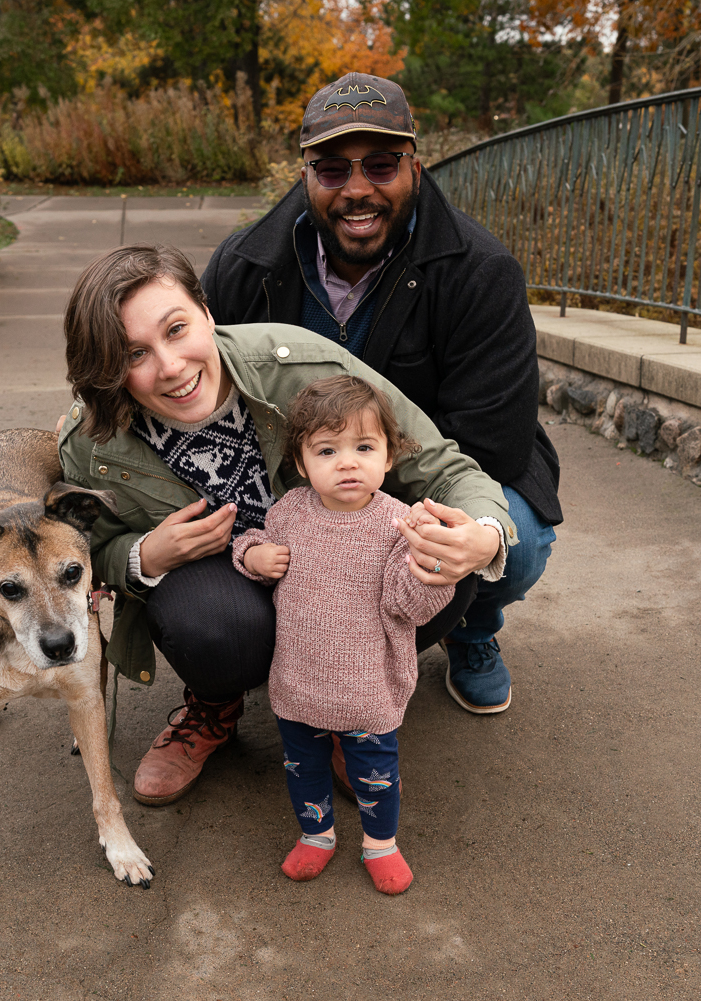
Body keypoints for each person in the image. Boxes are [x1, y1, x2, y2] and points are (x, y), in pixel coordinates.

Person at [57, 244, 514, 807]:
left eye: (176, 329)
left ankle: (351, 711)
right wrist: (144, 555)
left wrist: (485, 532)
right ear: (107, 369)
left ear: (205, 309)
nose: (170, 366)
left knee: (442, 564)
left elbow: (443, 467)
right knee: (209, 626)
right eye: (133, 354)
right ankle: (213, 705)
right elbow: (81, 553)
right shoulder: (93, 441)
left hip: (338, 574)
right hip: (226, 587)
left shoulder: (304, 367)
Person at [200, 71, 563, 715]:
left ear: (415, 169)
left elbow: (491, 437)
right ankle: (256, 674)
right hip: (296, 480)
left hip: (431, 470)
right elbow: (199, 390)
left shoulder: (480, 271)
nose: (358, 189)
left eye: (380, 164)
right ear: (306, 173)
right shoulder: (245, 266)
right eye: (333, 169)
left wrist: (376, 521)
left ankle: (469, 627)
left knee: (518, 539)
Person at [232, 375, 456, 894]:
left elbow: (410, 605)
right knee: (302, 766)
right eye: (327, 450)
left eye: (364, 447)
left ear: (389, 457)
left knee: (375, 774)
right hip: (298, 682)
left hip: (367, 686)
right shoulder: (288, 512)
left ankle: (382, 844)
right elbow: (250, 538)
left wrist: (433, 563)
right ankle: (317, 834)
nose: (347, 462)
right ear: (301, 462)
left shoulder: (400, 524)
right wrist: (253, 557)